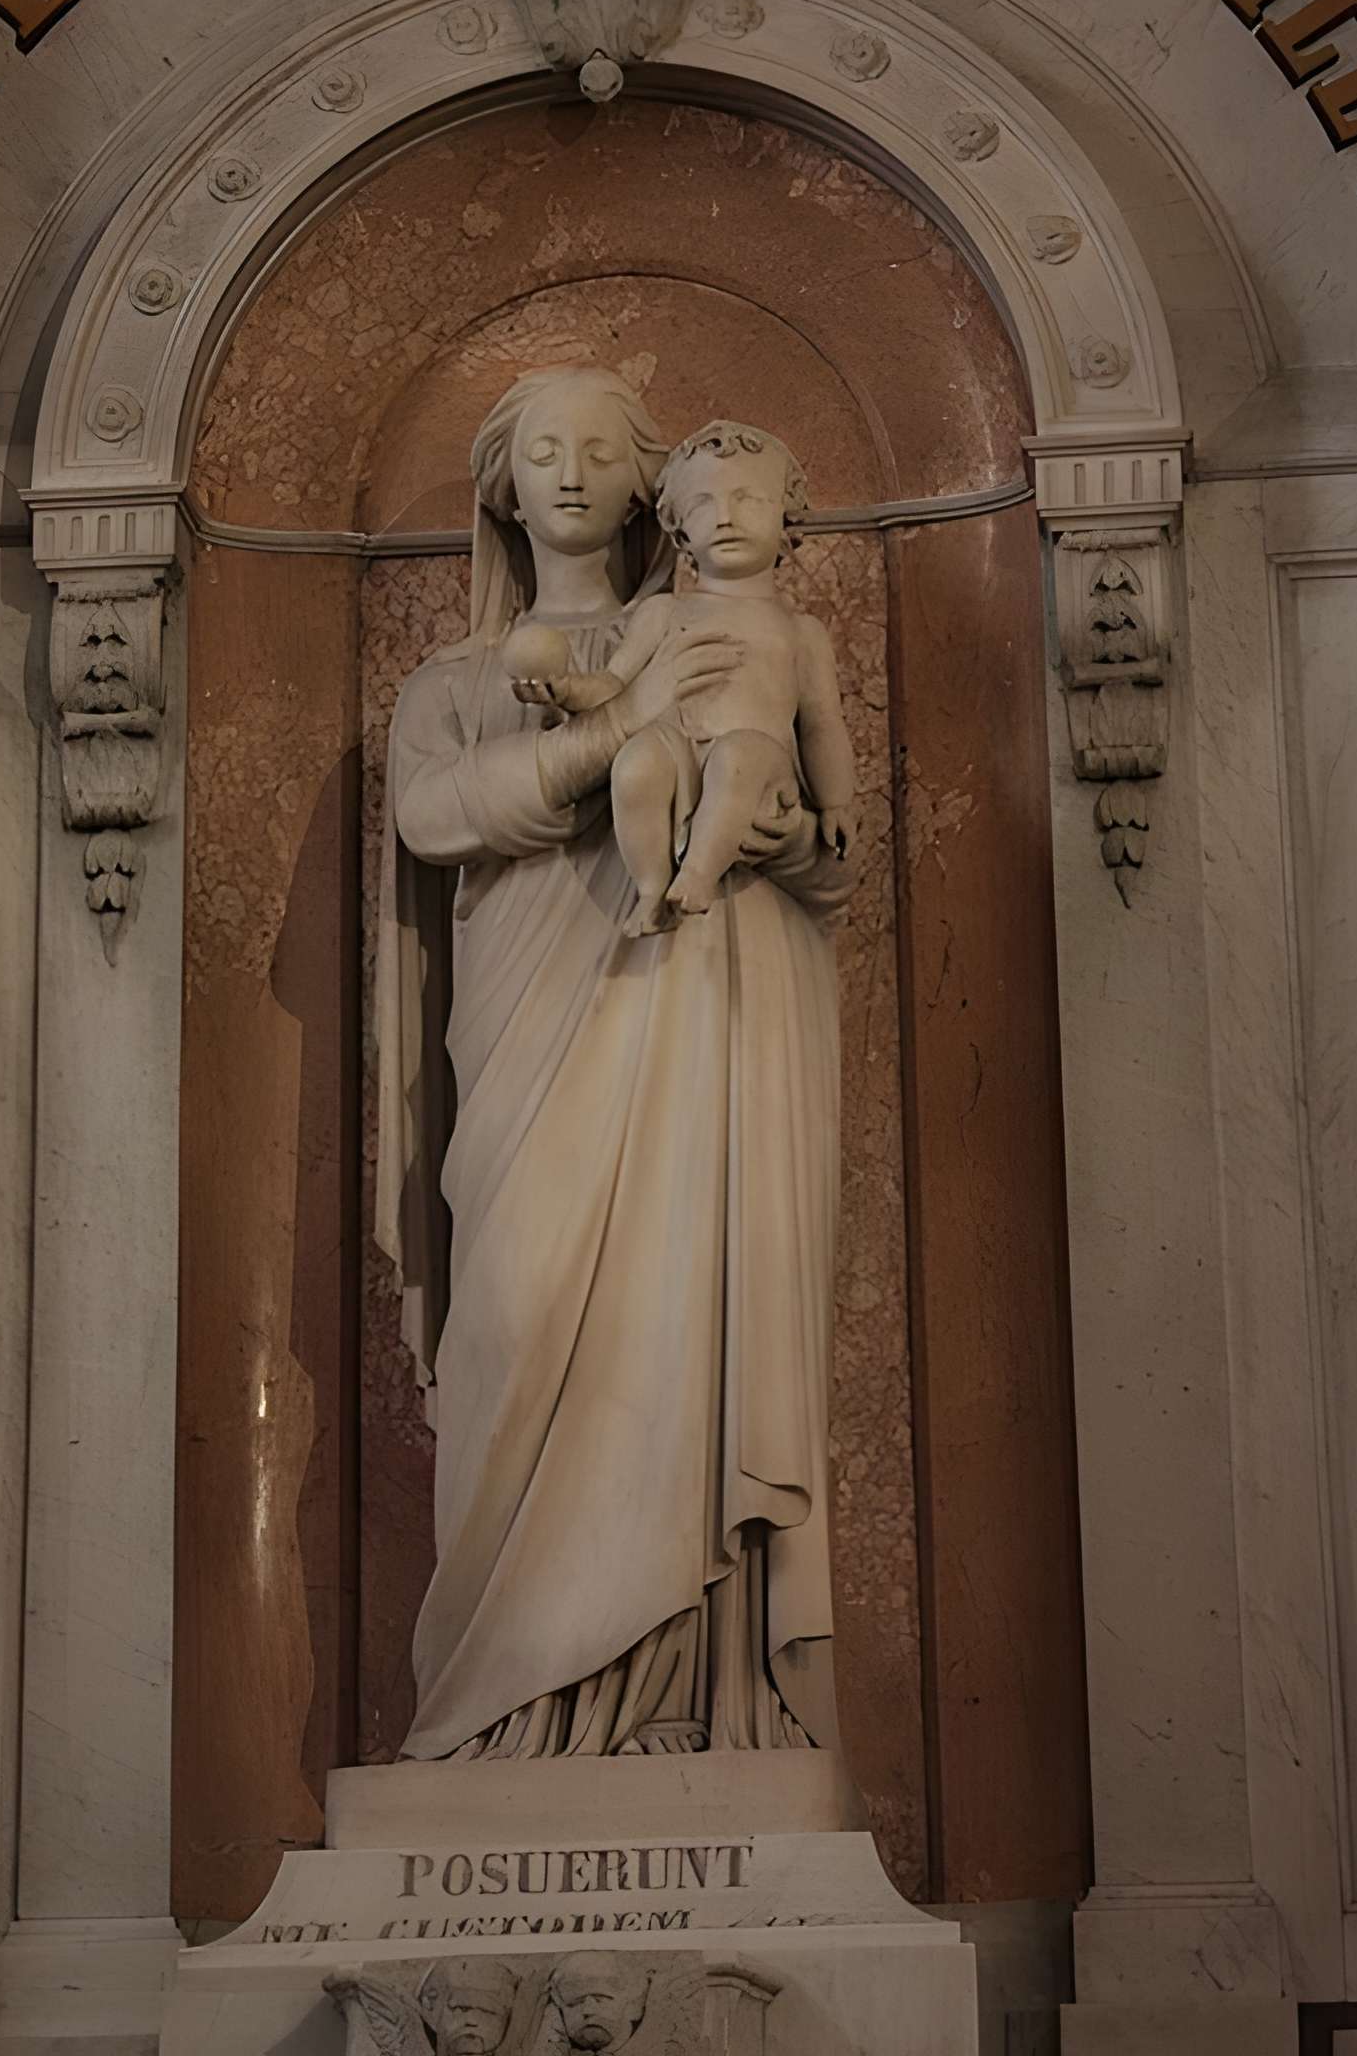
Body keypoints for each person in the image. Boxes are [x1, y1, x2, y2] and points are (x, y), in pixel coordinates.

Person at [377, 364, 852, 1762]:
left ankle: (669, 1698)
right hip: (525, 1031)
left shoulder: (718, 629)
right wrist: (601, 745)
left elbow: (825, 845)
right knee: (516, 1314)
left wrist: (786, 842)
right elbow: (428, 814)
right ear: (501, 488)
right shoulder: (457, 680)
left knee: (673, 1318)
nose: (573, 473)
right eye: (542, 451)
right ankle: (500, 1702)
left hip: (690, 1008)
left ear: (646, 480)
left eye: (598, 449)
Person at [505, 418, 857, 937]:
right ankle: (651, 888)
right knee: (637, 762)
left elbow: (823, 725)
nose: (725, 518)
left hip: (759, 770)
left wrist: (836, 802)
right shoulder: (663, 613)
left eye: (748, 499)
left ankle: (698, 874)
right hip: (682, 760)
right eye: (702, 504)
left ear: (785, 514)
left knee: (739, 753)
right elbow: (616, 686)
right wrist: (570, 690)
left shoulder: (799, 631)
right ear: (679, 527)